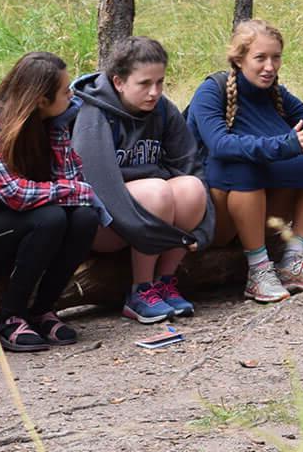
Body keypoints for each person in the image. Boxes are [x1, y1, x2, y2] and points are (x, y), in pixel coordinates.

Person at [0, 51, 101, 352]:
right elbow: (15, 194)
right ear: (41, 98)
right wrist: (69, 190)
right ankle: (10, 317)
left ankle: (43, 309)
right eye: (65, 91)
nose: (72, 95)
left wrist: (59, 137)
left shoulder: (52, 123)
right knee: (50, 217)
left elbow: (76, 184)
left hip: (28, 226)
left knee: (85, 218)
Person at [186, 19, 303, 303]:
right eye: (260, 58)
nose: (270, 67)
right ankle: (258, 271)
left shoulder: (276, 94)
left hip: (261, 209)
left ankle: (293, 260)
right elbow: (219, 144)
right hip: (215, 215)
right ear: (239, 59)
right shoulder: (212, 91)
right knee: (240, 162)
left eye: (276, 57)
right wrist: (283, 146)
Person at [70, 36, 214, 323]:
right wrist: (155, 227)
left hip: (150, 216)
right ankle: (140, 290)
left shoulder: (163, 109)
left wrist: (203, 230)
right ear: (119, 82)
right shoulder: (93, 113)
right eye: (144, 84)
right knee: (157, 192)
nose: (154, 92)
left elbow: (190, 165)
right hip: (105, 221)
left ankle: (164, 282)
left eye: (160, 82)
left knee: (191, 189)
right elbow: (100, 186)